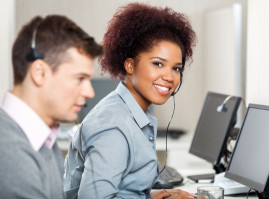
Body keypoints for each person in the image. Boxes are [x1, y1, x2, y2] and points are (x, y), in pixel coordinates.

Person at [64, 3, 196, 199]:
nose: (169, 77)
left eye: (176, 68)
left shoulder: (133, 112)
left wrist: (150, 196)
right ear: (130, 65)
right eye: (158, 64)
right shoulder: (113, 125)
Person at [0, 15, 103, 199]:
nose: (90, 93)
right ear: (39, 73)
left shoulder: (42, 138)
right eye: (80, 78)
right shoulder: (10, 153)